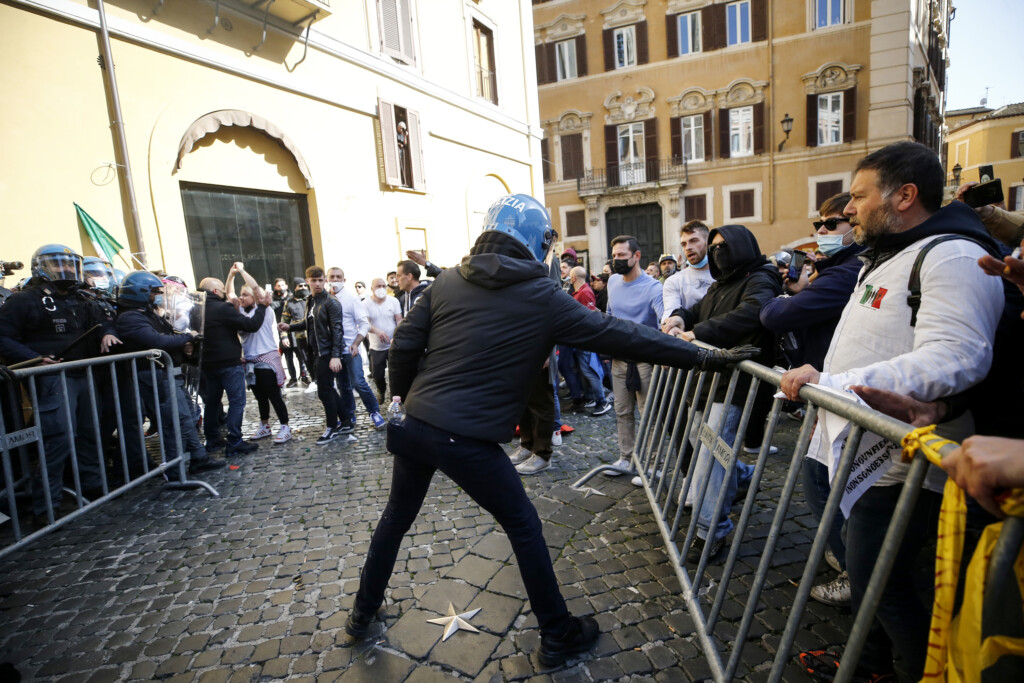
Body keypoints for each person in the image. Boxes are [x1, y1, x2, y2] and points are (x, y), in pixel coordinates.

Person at [340, 193, 757, 664]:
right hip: (468, 436)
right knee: (523, 525)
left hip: (418, 424)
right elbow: (622, 334)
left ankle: (362, 612)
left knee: (395, 519)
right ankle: (557, 634)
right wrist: (702, 355)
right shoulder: (543, 296)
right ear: (539, 243)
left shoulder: (449, 282)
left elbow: (403, 349)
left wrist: (406, 399)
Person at [779, 141, 1004, 681]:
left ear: (904, 196)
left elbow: (957, 356)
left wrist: (836, 384)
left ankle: (930, 673)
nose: (847, 210)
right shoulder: (887, 254)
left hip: (900, 459)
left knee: (885, 587)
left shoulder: (948, 255)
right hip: (851, 441)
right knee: (867, 576)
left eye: (858, 196)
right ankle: (870, 662)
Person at [759, 193, 864, 606]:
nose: (821, 232)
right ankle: (848, 559)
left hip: (840, 392)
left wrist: (782, 297)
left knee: (827, 485)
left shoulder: (847, 271)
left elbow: (774, 316)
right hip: (827, 387)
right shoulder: (835, 269)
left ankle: (854, 570)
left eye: (831, 224)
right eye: (818, 224)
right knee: (821, 480)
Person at [663, 225, 782, 562]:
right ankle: (743, 475)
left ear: (741, 246)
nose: (716, 253)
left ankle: (711, 530)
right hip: (708, 382)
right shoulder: (721, 283)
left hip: (733, 387)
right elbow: (697, 310)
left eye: (722, 246)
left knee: (709, 460)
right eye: (712, 247)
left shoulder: (762, 278)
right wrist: (678, 318)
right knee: (703, 447)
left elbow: (749, 314)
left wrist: (696, 332)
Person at [0, 244, 121, 520]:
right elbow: (3, 336)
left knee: (91, 435)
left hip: (85, 375)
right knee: (58, 441)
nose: (65, 269)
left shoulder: (83, 298)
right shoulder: (25, 300)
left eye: (69, 264)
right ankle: (48, 506)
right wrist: (34, 358)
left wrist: (106, 333)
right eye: (58, 265)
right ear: (42, 268)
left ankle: (94, 489)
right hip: (52, 379)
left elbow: (105, 321)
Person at [114, 271, 227, 476]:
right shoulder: (130, 317)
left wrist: (184, 343)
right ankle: (175, 472)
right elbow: (157, 341)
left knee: (186, 418)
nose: (157, 296)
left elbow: (168, 334)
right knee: (173, 422)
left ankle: (198, 457)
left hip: (167, 373)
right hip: (154, 376)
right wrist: (187, 337)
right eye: (154, 292)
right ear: (140, 292)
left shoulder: (147, 313)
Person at [605, 236, 663, 474]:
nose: (616, 260)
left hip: (646, 360)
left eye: (622, 256)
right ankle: (626, 458)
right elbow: (609, 314)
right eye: (614, 255)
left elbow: (663, 323)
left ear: (636, 256)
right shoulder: (612, 282)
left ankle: (653, 465)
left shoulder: (654, 287)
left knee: (649, 414)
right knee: (622, 411)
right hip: (619, 359)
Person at [279, 266, 354, 444]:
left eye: (320, 280)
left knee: (324, 391)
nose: (318, 283)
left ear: (325, 281)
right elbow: (309, 322)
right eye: (314, 280)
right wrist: (290, 327)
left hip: (328, 352)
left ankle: (332, 427)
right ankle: (346, 422)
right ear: (308, 282)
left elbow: (337, 330)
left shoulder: (331, 302)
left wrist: (335, 355)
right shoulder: (311, 300)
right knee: (327, 388)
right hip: (317, 351)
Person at [196, 269, 265, 457]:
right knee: (237, 402)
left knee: (211, 403)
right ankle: (234, 441)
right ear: (216, 292)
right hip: (228, 363)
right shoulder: (221, 308)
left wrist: (232, 276)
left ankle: (212, 440)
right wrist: (263, 308)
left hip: (207, 365)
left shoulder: (196, 309)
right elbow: (250, 325)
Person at [226, 267, 291, 444]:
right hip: (249, 360)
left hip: (266, 357)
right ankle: (265, 426)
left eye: (245, 295)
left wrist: (242, 271)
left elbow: (256, 288)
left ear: (254, 297)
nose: (241, 297)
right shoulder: (239, 312)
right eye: (241, 295)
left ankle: (285, 427)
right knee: (259, 396)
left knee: (273, 394)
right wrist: (231, 274)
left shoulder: (265, 309)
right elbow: (229, 293)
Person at [327, 268, 385, 430]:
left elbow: (364, 323)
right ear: (327, 279)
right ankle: (349, 416)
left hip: (351, 349)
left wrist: (357, 342)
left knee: (359, 382)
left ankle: (374, 412)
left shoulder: (351, 299)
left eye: (339, 277)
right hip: (334, 352)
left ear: (344, 280)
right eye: (332, 277)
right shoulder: (325, 298)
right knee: (343, 385)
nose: (335, 280)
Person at [662, 221, 715, 322]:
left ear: (708, 242)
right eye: (683, 244)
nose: (688, 247)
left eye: (694, 241)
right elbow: (670, 313)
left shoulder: (726, 276)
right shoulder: (674, 281)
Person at [364, 277, 403, 403]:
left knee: (395, 375)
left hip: (393, 344)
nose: (381, 289)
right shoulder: (365, 303)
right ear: (372, 288)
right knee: (378, 374)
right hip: (376, 347)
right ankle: (381, 390)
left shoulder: (393, 301)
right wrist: (377, 331)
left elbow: (399, 319)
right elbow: (364, 323)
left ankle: (395, 399)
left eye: (383, 286)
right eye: (377, 286)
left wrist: (398, 335)